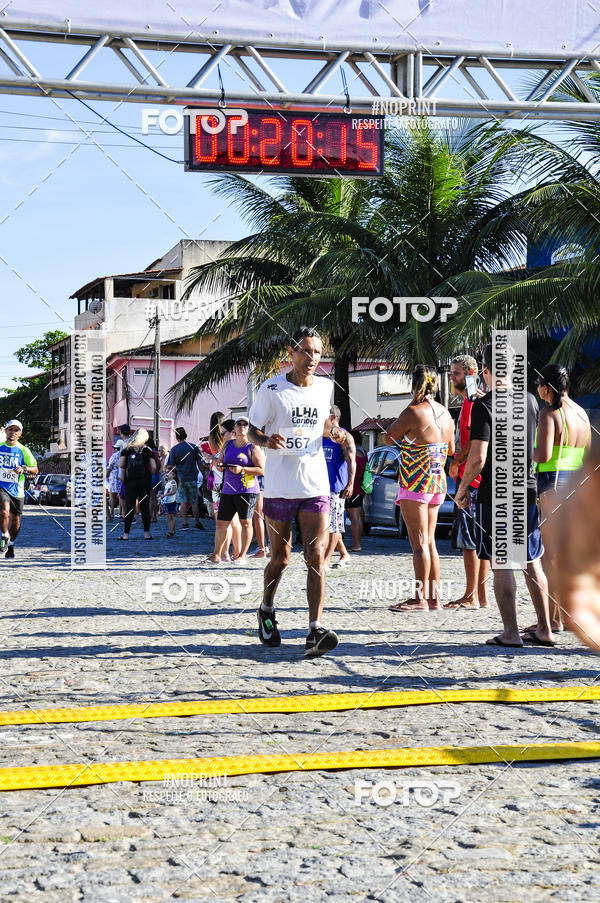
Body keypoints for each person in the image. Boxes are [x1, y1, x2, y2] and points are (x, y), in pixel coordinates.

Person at [248, 326, 346, 657]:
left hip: (316, 485)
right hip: (279, 488)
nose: (312, 358)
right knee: (281, 559)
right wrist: (266, 440)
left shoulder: (325, 387)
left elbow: (323, 426)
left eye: (317, 352)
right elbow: (251, 431)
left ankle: (315, 630)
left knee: (316, 556)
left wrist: (335, 432)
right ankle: (267, 609)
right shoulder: (272, 389)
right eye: (305, 351)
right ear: (292, 353)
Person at [455, 342, 554, 648]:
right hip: (526, 489)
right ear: (513, 369)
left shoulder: (485, 405)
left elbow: (478, 458)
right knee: (532, 560)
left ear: (485, 370)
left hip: (496, 492)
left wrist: (462, 490)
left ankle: (511, 633)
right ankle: (545, 629)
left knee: (503, 562)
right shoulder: (529, 402)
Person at [383, 366, 455, 611]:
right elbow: (452, 449)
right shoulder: (446, 413)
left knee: (419, 543)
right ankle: (433, 598)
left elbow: (388, 438)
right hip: (438, 480)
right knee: (431, 542)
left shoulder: (413, 411)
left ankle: (419, 598)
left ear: (414, 386)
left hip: (416, 480)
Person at [532, 363, 590, 633]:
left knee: (550, 557)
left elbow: (543, 455)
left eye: (539, 386)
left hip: (551, 484)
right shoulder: (581, 413)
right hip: (577, 487)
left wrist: (521, 452)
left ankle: (552, 618)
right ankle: (567, 616)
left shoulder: (549, 414)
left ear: (546, 387)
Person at [445, 354, 490, 610]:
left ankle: (472, 594)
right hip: (475, 477)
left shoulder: (474, 401)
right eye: (452, 373)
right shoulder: (468, 402)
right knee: (477, 540)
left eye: (457, 374)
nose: (453, 378)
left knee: (468, 541)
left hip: (472, 478)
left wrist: (455, 461)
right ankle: (479, 595)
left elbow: (475, 441)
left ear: (472, 373)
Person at [205, 416, 265, 564]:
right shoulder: (228, 444)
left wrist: (243, 469)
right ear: (235, 428)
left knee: (245, 522)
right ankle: (217, 555)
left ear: (249, 428)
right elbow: (220, 462)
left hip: (247, 489)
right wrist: (219, 466)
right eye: (239, 424)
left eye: (245, 424)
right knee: (222, 522)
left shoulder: (253, 447)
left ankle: (241, 556)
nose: (242, 427)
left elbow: (261, 470)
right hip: (228, 489)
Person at [322, 405, 356, 570]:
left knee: (334, 525)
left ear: (333, 417)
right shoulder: (320, 436)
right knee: (327, 524)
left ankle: (326, 561)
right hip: (320, 487)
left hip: (336, 487)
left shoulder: (344, 437)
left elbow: (351, 460)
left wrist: (350, 483)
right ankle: (344, 554)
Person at [0, 419, 38, 559]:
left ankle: (10, 544)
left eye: (16, 430)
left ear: (20, 434)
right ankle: (4, 536)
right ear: (6, 431)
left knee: (15, 521)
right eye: (10, 429)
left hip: (17, 490)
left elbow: (35, 470)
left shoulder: (24, 450)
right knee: (4, 511)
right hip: (1, 486)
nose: (12, 432)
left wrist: (24, 468)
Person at [118, 428, 157, 540]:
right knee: (144, 507)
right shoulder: (147, 450)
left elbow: (121, 464)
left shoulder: (126, 448)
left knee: (129, 507)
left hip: (130, 481)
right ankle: (146, 534)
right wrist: (149, 473)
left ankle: (126, 534)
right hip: (144, 481)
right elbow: (154, 467)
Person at [167, 427, 204, 530]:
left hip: (180, 478)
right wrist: (204, 474)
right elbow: (200, 463)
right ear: (185, 435)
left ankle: (184, 523)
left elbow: (171, 466)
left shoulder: (174, 450)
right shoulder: (193, 447)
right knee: (194, 501)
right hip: (192, 477)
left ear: (176, 437)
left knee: (182, 501)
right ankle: (197, 522)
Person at [345, 430, 368, 552]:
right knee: (357, 517)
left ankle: (356, 544)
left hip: (353, 488)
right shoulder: (363, 451)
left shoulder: (355, 452)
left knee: (354, 517)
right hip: (360, 487)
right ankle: (357, 543)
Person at [106, 438, 123, 521]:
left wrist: (106, 475)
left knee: (112, 496)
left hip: (114, 477)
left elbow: (109, 467)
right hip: (122, 477)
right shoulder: (125, 455)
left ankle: (111, 513)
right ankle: (121, 513)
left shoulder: (114, 455)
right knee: (122, 497)